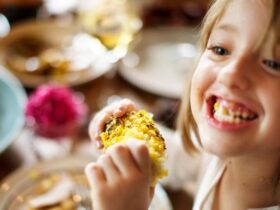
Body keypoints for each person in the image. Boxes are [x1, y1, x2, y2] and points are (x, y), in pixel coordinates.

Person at [85, 0, 280, 209]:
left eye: (273, 63)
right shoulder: (215, 152)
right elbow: (180, 157)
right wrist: (132, 141)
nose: (230, 74)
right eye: (220, 49)